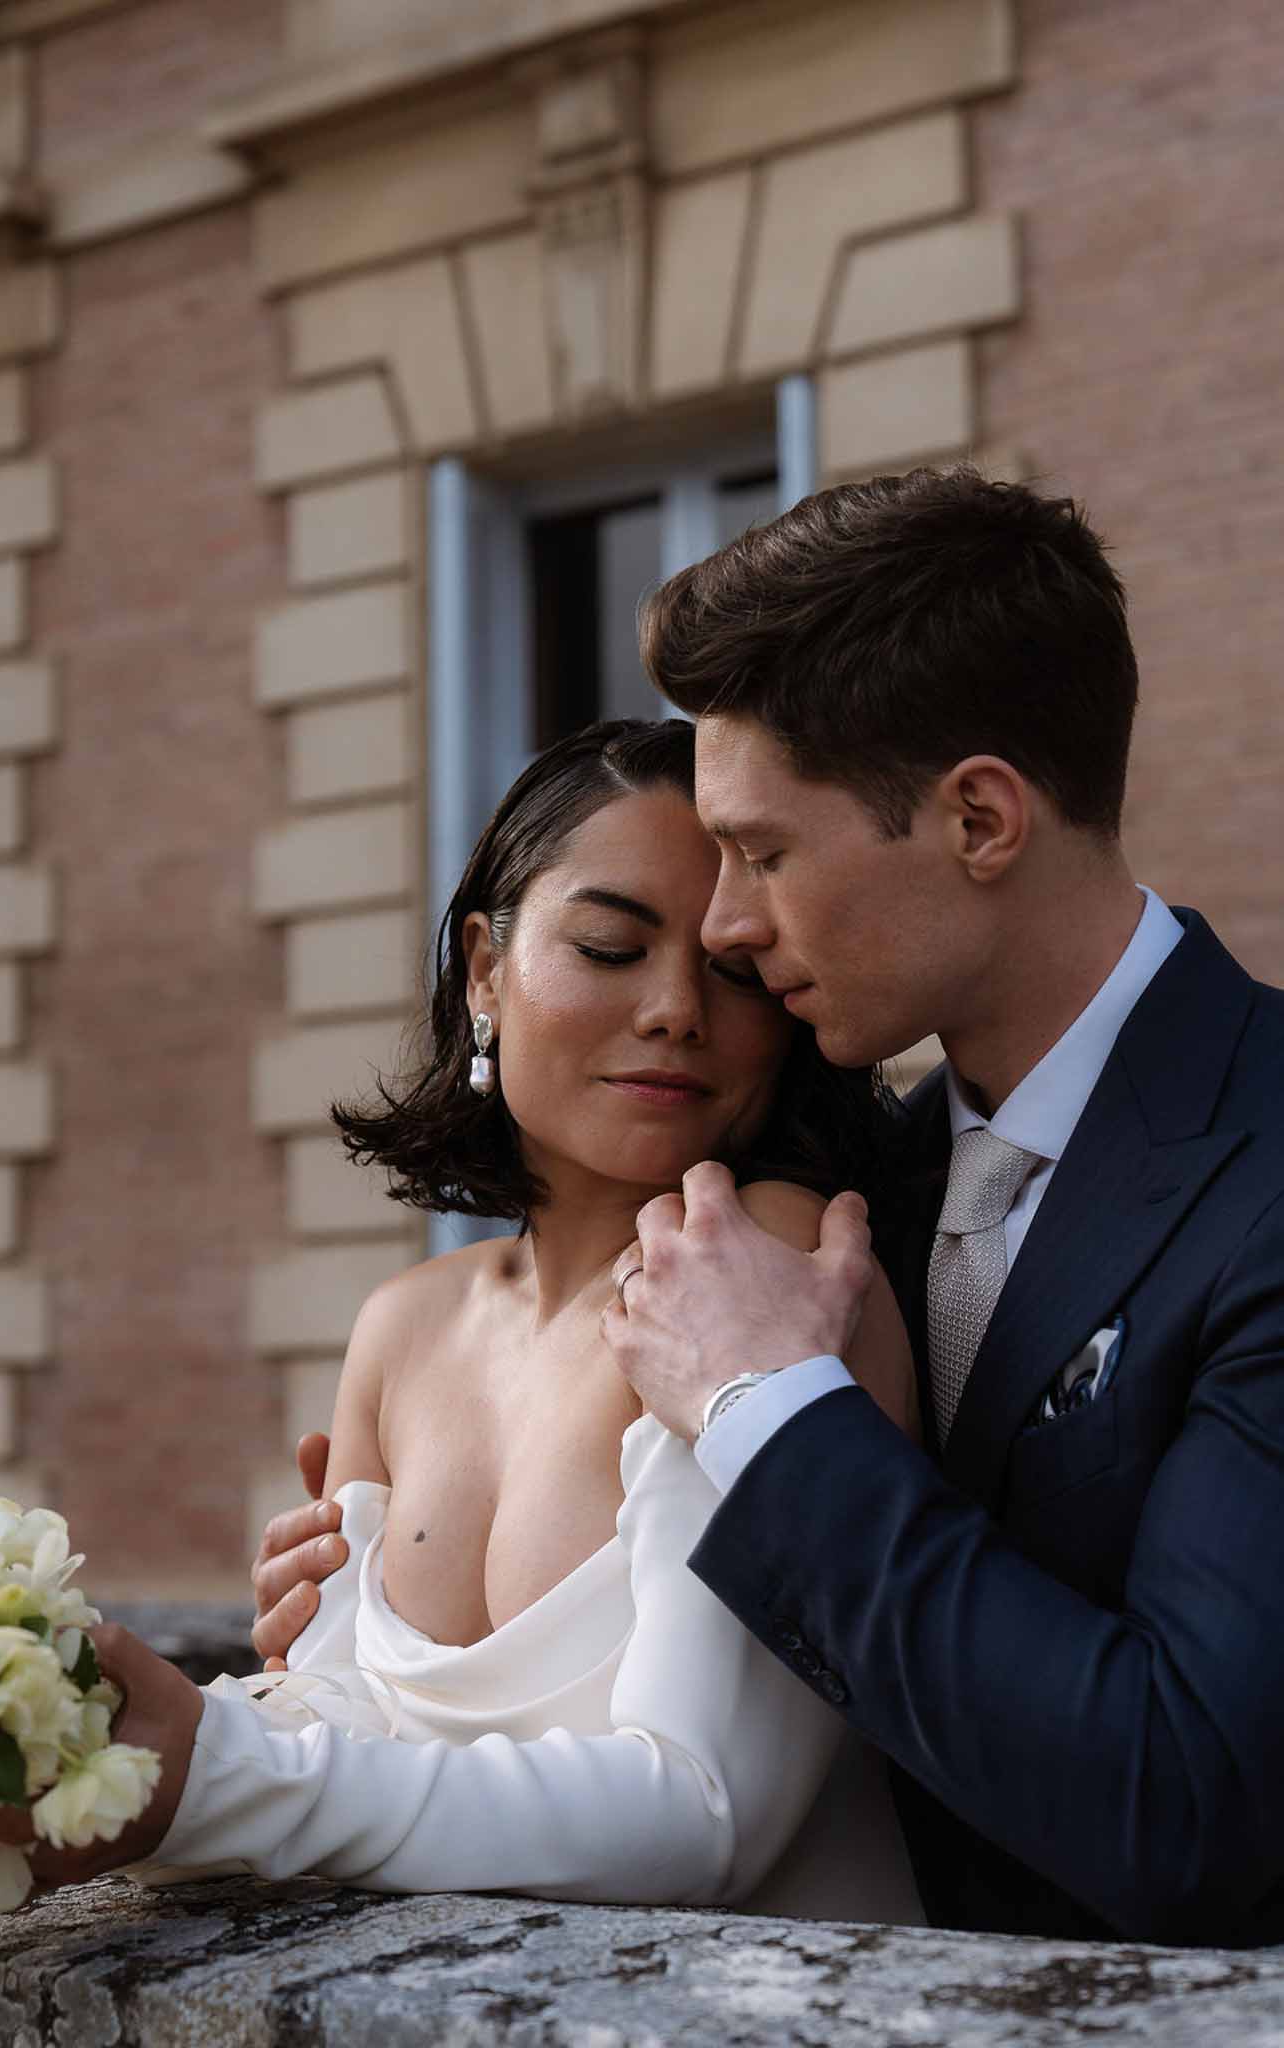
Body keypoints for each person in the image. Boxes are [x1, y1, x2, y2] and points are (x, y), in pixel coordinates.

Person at [264, 467, 1284, 1950]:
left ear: (980, 819)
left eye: (761, 854)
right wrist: (359, 1633)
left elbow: (1184, 1804)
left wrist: (767, 1405)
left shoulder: (1256, 1163)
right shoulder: (868, 1189)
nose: (726, 928)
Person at [0, 719, 922, 1917]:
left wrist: (210, 1772)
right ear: (485, 967)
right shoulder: (405, 1325)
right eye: (609, 946)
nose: (679, 1007)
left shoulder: (771, 1261)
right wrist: (82, 1740)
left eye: (735, 969)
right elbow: (341, 1729)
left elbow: (701, 1812)